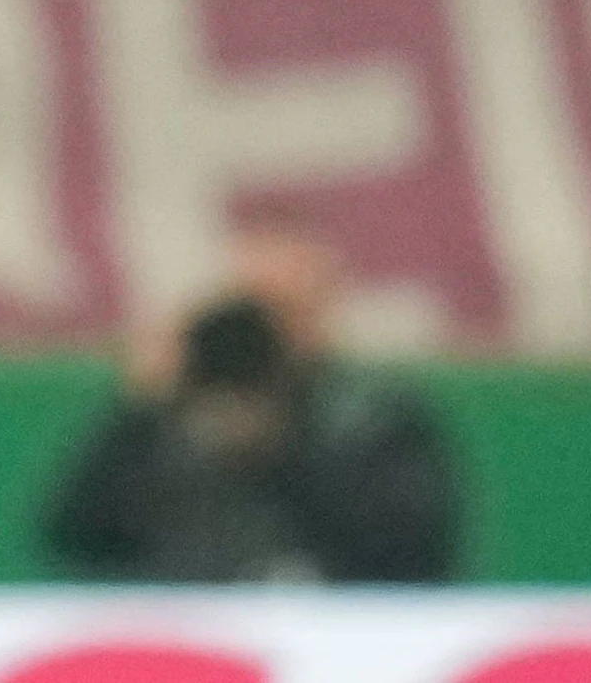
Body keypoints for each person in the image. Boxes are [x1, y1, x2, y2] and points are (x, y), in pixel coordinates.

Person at [43, 221, 462, 583]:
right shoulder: (170, 420)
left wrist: (280, 444)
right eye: (252, 308)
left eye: (285, 310)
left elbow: (414, 553)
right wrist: (139, 410)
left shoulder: (372, 417)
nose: (266, 332)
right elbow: (79, 534)